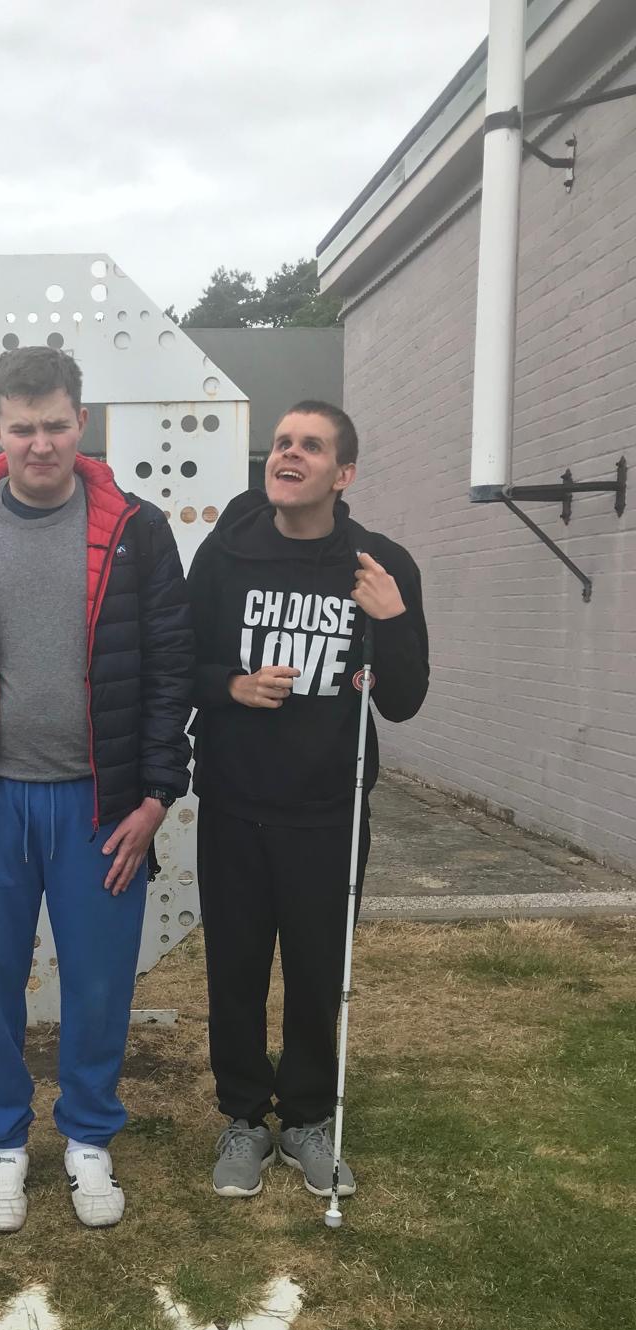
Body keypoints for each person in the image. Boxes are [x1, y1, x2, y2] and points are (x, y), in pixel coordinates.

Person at [0, 346, 193, 1233]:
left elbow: (168, 671)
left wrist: (154, 798)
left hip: (100, 805)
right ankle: (0, 1142)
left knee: (100, 978)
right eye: (22, 428)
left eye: (56, 425)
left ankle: (89, 1137)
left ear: (83, 423)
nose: (40, 444)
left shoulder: (138, 528)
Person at [187, 401, 429, 1201]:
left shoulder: (378, 564)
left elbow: (404, 701)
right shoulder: (224, 556)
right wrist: (230, 684)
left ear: (343, 473)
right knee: (237, 968)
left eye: (311, 447)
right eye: (282, 442)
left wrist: (391, 622)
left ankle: (307, 1120)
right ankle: (243, 1119)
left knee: (319, 973)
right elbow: (180, 666)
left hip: (328, 808)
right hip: (235, 804)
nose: (288, 455)